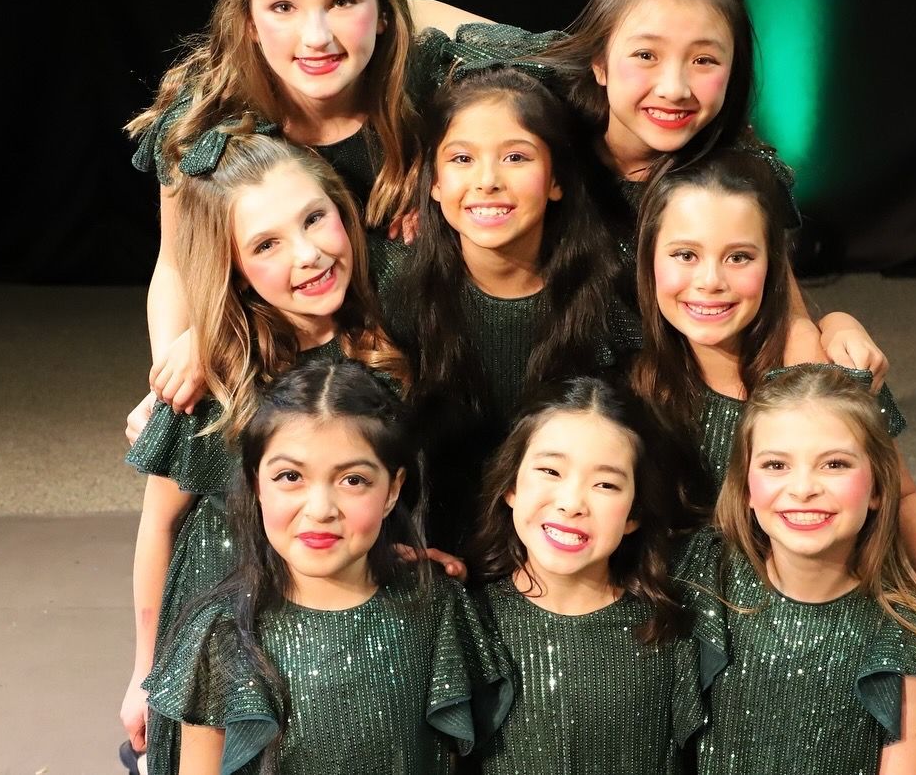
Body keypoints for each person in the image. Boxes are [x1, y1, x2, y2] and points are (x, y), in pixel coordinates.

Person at [411, 0, 886, 375]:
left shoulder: (730, 169)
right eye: (645, 55)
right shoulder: (543, 101)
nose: (674, 88)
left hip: (643, 395)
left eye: (704, 60)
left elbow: (786, 311)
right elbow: (415, 11)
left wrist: (832, 327)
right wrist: (416, 166)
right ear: (599, 61)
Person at [120, 134, 408, 764]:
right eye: (266, 244)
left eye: (314, 218)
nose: (308, 254)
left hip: (346, 615)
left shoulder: (389, 346)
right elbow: (159, 523)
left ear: (343, 209)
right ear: (235, 267)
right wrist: (143, 671)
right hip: (217, 619)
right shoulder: (216, 375)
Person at [126, 0, 424, 421]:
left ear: (384, 9)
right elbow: (175, 264)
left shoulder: (427, 93)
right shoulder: (208, 119)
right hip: (282, 368)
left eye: (342, 1)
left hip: (416, 366)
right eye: (283, 7)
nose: (316, 37)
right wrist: (179, 362)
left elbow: (558, 56)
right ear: (249, 21)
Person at [630, 148, 916, 627]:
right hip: (689, 634)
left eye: (739, 257)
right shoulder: (637, 387)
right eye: (685, 254)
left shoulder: (817, 371)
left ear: (773, 265)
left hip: (813, 628)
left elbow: (903, 496)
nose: (710, 281)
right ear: (650, 262)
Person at [146, 360, 512, 774]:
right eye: (290, 476)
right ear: (254, 485)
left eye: (352, 480)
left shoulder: (437, 609)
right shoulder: (218, 630)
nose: (320, 510)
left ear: (392, 490)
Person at [678, 365, 916, 774]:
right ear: (744, 489)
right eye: (776, 465)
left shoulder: (911, 635)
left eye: (835, 464)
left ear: (879, 488)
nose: (804, 488)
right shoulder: (703, 578)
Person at [379, 65, 638, 547]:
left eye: (516, 157)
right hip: (434, 556)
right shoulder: (397, 292)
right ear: (433, 183)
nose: (488, 181)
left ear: (556, 180)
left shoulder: (612, 297)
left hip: (567, 550)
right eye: (461, 159)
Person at [465, 376, 704, 774]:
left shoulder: (668, 629)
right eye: (551, 471)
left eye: (606, 484)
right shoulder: (467, 619)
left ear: (635, 514)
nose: (572, 503)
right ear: (510, 486)